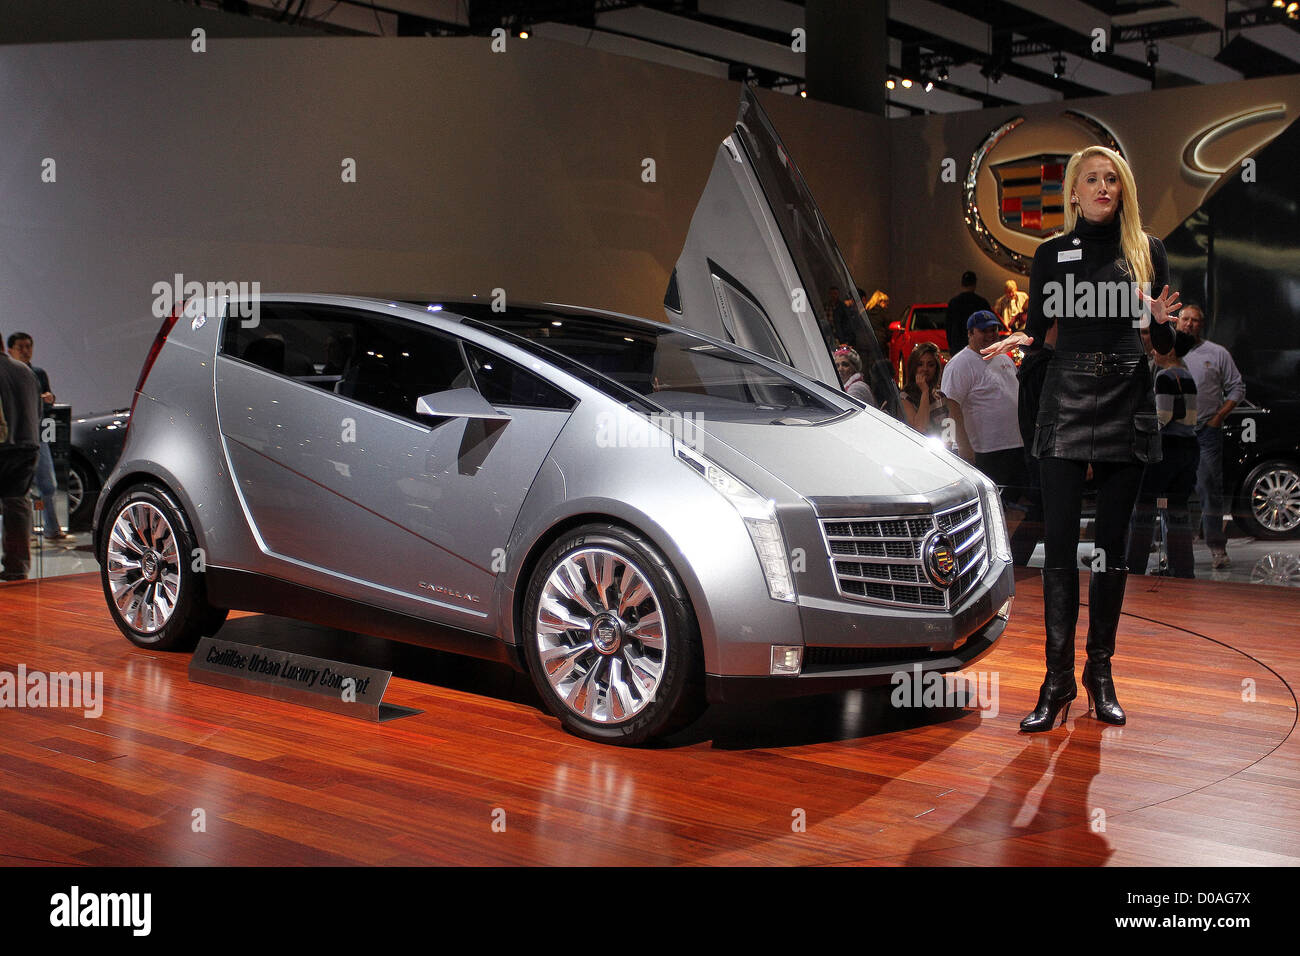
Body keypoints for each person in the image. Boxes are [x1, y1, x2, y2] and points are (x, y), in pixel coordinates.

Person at [981, 144, 1183, 732]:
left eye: (1111, 179)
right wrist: (1023, 342)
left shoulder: (1148, 253)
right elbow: (1043, 333)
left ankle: (1101, 674)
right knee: (1059, 549)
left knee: (1113, 552)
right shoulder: (1049, 254)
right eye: (1091, 179)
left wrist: (1164, 321)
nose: (1102, 187)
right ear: (1072, 192)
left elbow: (1164, 348)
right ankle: (1056, 679)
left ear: (1123, 190)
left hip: (1127, 397)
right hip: (1065, 398)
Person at [944, 311, 1036, 562]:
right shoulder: (961, 364)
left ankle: (1014, 557)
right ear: (970, 333)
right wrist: (964, 446)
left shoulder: (1003, 358)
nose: (990, 334)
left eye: (994, 329)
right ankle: (989, 558)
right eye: (984, 330)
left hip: (1016, 445)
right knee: (993, 507)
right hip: (987, 449)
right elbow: (953, 406)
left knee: (1028, 502)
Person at [1177, 305, 1245, 569]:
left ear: (1201, 325)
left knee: (1208, 488)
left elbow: (1237, 387)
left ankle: (1217, 547)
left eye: (1195, 321)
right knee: (1170, 492)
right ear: (1177, 322)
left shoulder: (1217, 353)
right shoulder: (1165, 352)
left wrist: (1220, 416)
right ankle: (1171, 548)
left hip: (1206, 431)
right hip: (1174, 433)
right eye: (1185, 319)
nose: (1189, 324)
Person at [1126, 345, 1199, 577]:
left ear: (1169, 351)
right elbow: (1190, 415)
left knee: (1145, 508)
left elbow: (1164, 414)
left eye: (1158, 348)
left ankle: (1134, 564)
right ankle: (1182, 568)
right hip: (1188, 446)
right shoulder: (1186, 375)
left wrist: (1141, 432)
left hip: (1167, 447)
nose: (1153, 352)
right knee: (1177, 510)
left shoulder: (1165, 376)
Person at [7, 333, 68, 539]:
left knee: (48, 485)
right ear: (10, 350)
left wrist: (47, 399)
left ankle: (51, 528)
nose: (25, 351)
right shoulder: (10, 373)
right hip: (14, 438)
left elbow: (45, 404)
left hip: (36, 435)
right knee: (18, 489)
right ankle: (26, 533)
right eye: (20, 347)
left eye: (28, 346)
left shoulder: (37, 373)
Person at [1, 329, 43, 580]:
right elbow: (38, 412)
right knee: (17, 504)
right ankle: (17, 567)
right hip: (27, 446)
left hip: (3, 445)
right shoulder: (25, 371)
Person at [900, 342, 953, 449]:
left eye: (930, 365)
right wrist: (924, 392)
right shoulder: (905, 398)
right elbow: (919, 428)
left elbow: (949, 434)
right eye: (920, 364)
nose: (925, 369)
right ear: (913, 367)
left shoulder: (941, 397)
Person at [944, 271, 991, 358]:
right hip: (978, 349)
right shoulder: (981, 303)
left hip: (957, 349)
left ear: (962, 284)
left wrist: (952, 347)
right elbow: (989, 327)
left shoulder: (953, 303)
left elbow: (948, 328)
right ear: (975, 283)